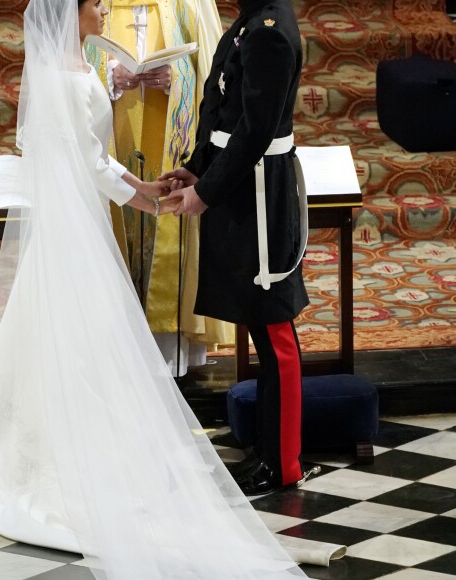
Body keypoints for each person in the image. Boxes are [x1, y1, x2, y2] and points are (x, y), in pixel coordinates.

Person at [0, 0, 307, 578]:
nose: (103, 9)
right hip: (75, 224)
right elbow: (84, 159)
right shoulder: (62, 78)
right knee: (71, 337)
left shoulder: (80, 67)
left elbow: (100, 157)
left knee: (81, 339)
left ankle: (277, 460)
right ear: (69, 13)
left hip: (94, 216)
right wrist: (146, 193)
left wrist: (153, 189)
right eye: (94, 4)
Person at [161, 0, 309, 496]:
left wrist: (205, 192)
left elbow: (256, 130)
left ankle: (284, 461)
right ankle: (269, 449)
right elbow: (222, 110)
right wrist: (198, 167)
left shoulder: (268, 29)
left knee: (274, 328)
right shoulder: (251, 19)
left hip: (259, 197)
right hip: (239, 188)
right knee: (259, 323)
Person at [89, 0, 234, 376]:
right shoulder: (95, 4)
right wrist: (110, 77)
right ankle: (111, 351)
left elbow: (219, 71)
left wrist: (179, 78)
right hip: (114, 137)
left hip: (171, 135)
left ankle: (168, 355)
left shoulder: (188, 3)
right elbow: (71, 60)